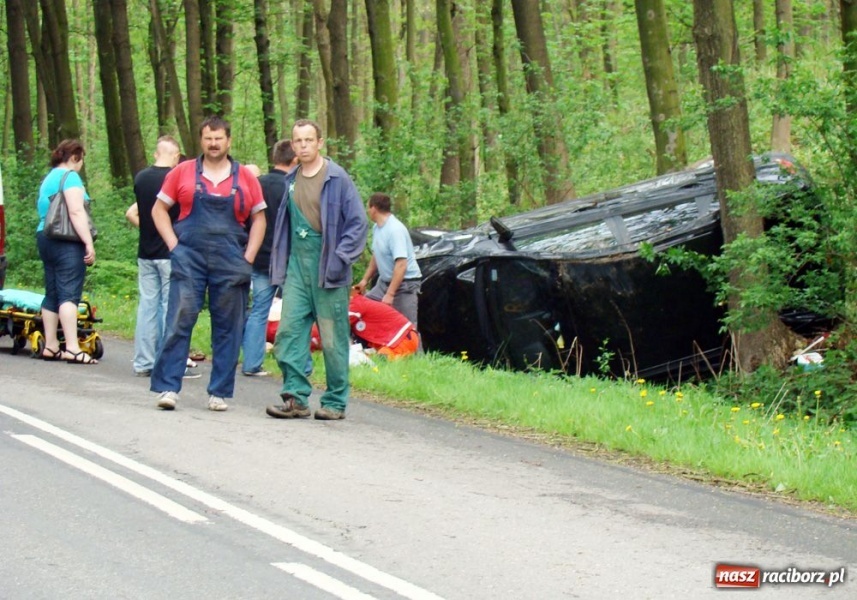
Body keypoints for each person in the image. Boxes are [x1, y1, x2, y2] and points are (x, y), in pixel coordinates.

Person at [150, 115, 266, 411]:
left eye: (219, 138)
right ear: (200, 141)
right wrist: (174, 246)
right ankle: (168, 388)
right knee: (179, 319)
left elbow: (259, 219)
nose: (213, 144)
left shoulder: (246, 178)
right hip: (189, 257)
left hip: (231, 260)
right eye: (208, 138)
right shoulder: (182, 172)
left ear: (228, 140)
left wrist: (248, 258)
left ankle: (219, 392)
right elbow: (158, 210)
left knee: (228, 327)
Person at [266, 118, 367, 421]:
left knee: (333, 338)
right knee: (288, 332)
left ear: (320, 142)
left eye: (309, 140)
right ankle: (295, 398)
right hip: (298, 265)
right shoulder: (291, 179)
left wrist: (340, 257)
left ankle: (335, 401)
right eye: (298, 141)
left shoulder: (336, 178)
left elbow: (358, 223)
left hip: (328, 268)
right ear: (292, 145)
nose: (304, 145)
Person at [35, 139, 97, 364]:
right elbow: (76, 212)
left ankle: (51, 345)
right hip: (67, 240)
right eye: (81, 160)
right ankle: (72, 347)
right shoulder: (70, 177)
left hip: (45, 236)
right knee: (69, 294)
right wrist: (88, 242)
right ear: (74, 157)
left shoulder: (48, 178)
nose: (81, 164)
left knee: (52, 292)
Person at [125, 136, 181, 377]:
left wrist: (147, 228)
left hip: (145, 252)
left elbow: (136, 213)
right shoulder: (175, 179)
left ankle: (143, 362)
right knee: (171, 308)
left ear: (156, 153)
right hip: (170, 251)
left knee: (147, 307)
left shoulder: (141, 178)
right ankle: (166, 361)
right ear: (176, 155)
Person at [241, 139, 298, 377]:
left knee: (258, 310)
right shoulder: (294, 187)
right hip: (285, 259)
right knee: (297, 312)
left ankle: (251, 363)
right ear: (295, 160)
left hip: (256, 255)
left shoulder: (256, 184)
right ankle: (297, 364)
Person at [353, 192, 422, 328]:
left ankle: (413, 349)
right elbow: (376, 255)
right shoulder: (377, 228)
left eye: (368, 207)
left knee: (407, 327)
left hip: (405, 284)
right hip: (384, 283)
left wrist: (390, 294)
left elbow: (401, 264)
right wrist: (364, 280)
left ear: (373, 209)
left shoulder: (395, 230)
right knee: (363, 308)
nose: (367, 211)